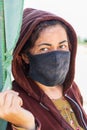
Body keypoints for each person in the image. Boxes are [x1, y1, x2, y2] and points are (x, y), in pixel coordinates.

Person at [0, 8, 87, 130]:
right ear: (25, 56)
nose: (56, 56)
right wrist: (27, 125)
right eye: (45, 49)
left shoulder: (72, 88)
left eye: (62, 46)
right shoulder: (15, 101)